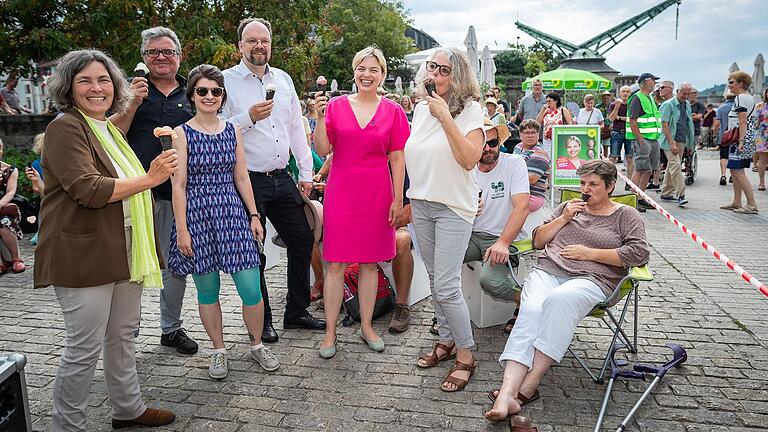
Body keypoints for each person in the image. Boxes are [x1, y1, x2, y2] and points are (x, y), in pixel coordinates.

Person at [35, 49, 178, 430]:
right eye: (85, 80)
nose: (96, 88)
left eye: (103, 80)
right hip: (85, 252)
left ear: (115, 87)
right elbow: (87, 189)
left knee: (122, 335)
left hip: (127, 248)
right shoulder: (65, 127)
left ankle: (128, 408)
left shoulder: (108, 128)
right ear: (68, 87)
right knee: (83, 348)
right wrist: (151, 179)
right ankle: (68, 426)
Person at [484, 160, 649, 422]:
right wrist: (563, 218)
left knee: (560, 300)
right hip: (549, 271)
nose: (585, 189)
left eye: (593, 184)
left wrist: (591, 254)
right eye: (582, 183)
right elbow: (538, 241)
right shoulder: (568, 208)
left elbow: (639, 253)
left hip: (593, 280)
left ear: (610, 186)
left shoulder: (626, 215)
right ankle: (507, 393)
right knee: (531, 309)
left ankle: (529, 385)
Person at [167, 64, 278, 379]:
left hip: (232, 214)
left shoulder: (232, 130)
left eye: (216, 91)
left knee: (250, 287)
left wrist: (254, 215)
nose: (209, 96)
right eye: (202, 90)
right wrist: (182, 230)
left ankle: (256, 345)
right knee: (207, 289)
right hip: (197, 217)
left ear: (222, 96)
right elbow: (178, 185)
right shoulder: (181, 133)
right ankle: (218, 350)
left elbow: (242, 176)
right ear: (192, 95)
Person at [222, 18, 326, 343]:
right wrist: (247, 118)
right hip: (247, 180)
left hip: (282, 177)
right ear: (240, 45)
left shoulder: (283, 79)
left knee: (302, 240)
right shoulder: (224, 81)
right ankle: (262, 320)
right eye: (251, 41)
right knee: (255, 250)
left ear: (270, 44)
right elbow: (216, 128)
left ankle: (296, 312)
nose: (259, 46)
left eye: (264, 41)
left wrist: (306, 173)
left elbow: (296, 127)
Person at [313, 46, 408, 357]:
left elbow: (397, 158)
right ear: (354, 72)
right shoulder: (336, 106)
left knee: (370, 263)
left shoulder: (393, 111)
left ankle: (367, 326)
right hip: (342, 191)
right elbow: (324, 147)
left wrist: (397, 198)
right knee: (336, 263)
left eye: (374, 70)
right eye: (362, 69)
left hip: (377, 193)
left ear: (383, 75)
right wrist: (319, 117)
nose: (367, 75)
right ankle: (329, 332)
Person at [110, 26, 199, 355]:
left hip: (176, 194)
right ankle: (127, 334)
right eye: (153, 52)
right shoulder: (128, 92)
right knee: (131, 265)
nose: (161, 57)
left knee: (176, 263)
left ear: (179, 56)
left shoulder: (193, 93)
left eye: (167, 51)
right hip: (135, 192)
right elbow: (111, 134)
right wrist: (133, 103)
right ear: (143, 59)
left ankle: (171, 328)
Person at [405, 47, 484, 392]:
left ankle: (466, 354)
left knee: (447, 284)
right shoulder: (422, 108)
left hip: (453, 207)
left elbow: (469, 159)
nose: (433, 73)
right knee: (437, 278)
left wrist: (445, 116)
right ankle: (447, 339)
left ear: (458, 76)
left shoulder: (471, 110)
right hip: (421, 203)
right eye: (431, 66)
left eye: (442, 69)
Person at [467, 119, 529, 333]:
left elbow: (522, 207)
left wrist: (503, 242)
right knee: (441, 262)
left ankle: (527, 303)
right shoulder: (465, 166)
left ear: (500, 143)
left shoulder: (514, 163)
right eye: (481, 143)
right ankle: (447, 313)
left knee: (490, 282)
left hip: (502, 237)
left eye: (492, 143)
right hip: (471, 235)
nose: (487, 149)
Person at [721, 71, 758, 213]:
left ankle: (751, 204)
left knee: (738, 172)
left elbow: (743, 121)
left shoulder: (741, 98)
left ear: (741, 83)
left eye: (732, 82)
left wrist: (741, 141)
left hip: (741, 139)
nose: (729, 85)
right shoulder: (747, 97)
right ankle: (737, 201)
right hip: (742, 138)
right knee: (735, 170)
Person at [627, 73, 662, 211]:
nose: (655, 83)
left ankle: (641, 197)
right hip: (643, 140)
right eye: (653, 80)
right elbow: (632, 120)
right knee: (640, 169)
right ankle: (633, 200)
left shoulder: (650, 98)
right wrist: (640, 139)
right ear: (646, 82)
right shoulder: (637, 98)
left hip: (652, 139)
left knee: (649, 170)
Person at [658, 83, 694, 207]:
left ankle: (666, 192)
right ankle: (681, 195)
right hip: (670, 140)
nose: (686, 96)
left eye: (688, 94)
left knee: (671, 166)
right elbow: (664, 125)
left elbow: (688, 123)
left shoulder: (687, 104)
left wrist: (690, 142)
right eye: (684, 93)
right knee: (676, 165)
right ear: (677, 91)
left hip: (682, 140)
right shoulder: (667, 105)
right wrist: (671, 143)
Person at [513, 120, 550, 213]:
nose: (530, 135)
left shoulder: (540, 153)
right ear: (520, 135)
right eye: (526, 133)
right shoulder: (518, 147)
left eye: (533, 132)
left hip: (532, 196)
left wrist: (509, 175)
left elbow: (531, 179)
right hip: (517, 192)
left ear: (538, 135)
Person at [0, 138, 24, 273]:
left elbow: (11, 192)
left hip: (5, 206)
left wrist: (0, 204)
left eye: (0, 147)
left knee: (4, 222)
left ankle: (16, 259)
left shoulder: (10, 170)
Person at [608, 85, 635, 183]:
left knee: (630, 158)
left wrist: (619, 118)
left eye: (627, 92)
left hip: (630, 133)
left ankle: (630, 182)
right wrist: (617, 107)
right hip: (616, 132)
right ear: (619, 93)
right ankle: (610, 180)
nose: (625, 94)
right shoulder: (613, 105)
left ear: (630, 93)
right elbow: (611, 118)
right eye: (623, 91)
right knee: (613, 157)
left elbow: (633, 119)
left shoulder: (632, 105)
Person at [714, 93, 736, 185]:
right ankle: (733, 176)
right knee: (733, 156)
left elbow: (717, 123)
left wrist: (715, 135)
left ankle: (723, 175)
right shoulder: (738, 108)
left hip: (724, 136)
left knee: (723, 156)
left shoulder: (721, 108)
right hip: (736, 135)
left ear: (726, 98)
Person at [754, 88, 768, 191]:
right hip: (762, 135)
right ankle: (762, 182)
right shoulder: (760, 106)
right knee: (762, 159)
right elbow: (755, 122)